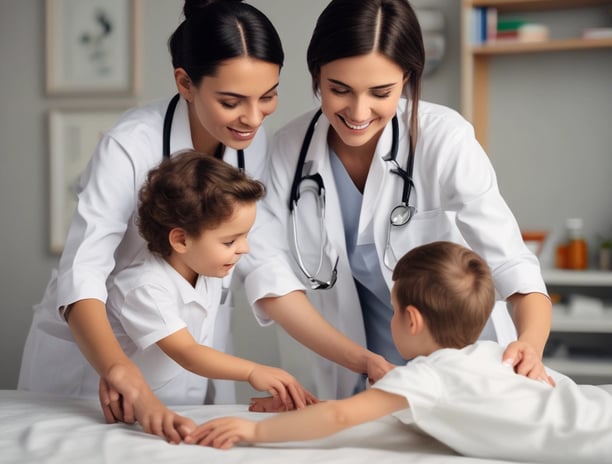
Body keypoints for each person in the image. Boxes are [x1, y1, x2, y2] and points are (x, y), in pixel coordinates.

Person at [237, 0, 553, 402]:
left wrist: (531, 341)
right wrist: (362, 361)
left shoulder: (443, 140)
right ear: (317, 74)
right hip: (352, 372)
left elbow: (510, 262)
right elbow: (268, 276)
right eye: (339, 89)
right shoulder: (287, 151)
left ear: (406, 78)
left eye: (380, 92)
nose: (358, 111)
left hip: (460, 372)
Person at [18, 0, 293, 442]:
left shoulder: (248, 143)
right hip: (98, 365)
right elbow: (83, 272)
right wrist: (118, 369)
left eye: (268, 96)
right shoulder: (131, 145)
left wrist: (355, 358)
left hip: (190, 354)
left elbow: (260, 259)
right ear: (185, 82)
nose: (254, 117)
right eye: (231, 101)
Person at [185, 241, 612, 464]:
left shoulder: (429, 378)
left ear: (411, 320)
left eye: (391, 310)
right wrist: (298, 410)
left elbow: (341, 418)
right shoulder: (491, 354)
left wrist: (253, 432)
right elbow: (374, 408)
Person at [94, 151, 312, 407]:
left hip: (178, 405)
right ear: (181, 240)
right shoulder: (144, 288)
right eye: (230, 241)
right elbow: (188, 353)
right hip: (123, 412)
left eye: (245, 236)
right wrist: (253, 371)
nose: (245, 249)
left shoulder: (205, 268)